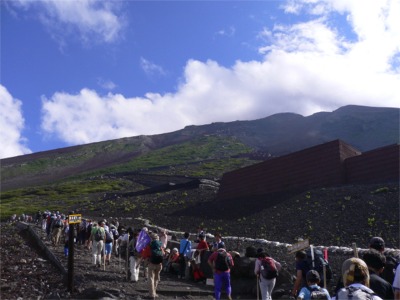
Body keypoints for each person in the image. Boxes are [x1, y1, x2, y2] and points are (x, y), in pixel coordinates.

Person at [148, 232, 163, 299]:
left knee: (151, 278)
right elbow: (163, 253)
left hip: (152, 263)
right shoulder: (160, 244)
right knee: (156, 279)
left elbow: (147, 253)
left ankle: (152, 294)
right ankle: (155, 292)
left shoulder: (150, 245)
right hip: (159, 264)